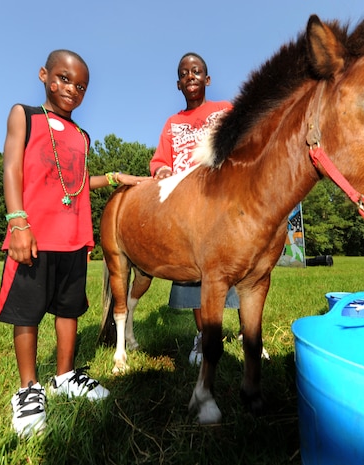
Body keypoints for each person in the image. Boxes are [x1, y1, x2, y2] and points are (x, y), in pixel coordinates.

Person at [0, 49, 149, 438]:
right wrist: (18, 223)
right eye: (63, 79)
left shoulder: (82, 135)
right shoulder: (24, 115)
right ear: (44, 74)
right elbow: (11, 167)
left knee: (69, 310)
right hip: (32, 234)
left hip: (73, 239)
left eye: (80, 86)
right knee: (27, 313)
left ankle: (64, 375)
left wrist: (115, 177)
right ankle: (29, 388)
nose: (71, 89)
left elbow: (78, 183)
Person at [150, 52, 241, 366]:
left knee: (237, 269)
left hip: (223, 205)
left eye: (197, 71)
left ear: (207, 79)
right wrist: (161, 171)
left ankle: (247, 332)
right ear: (178, 84)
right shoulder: (173, 123)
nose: (191, 75)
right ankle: (203, 335)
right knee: (195, 275)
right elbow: (160, 161)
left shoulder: (225, 111)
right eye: (185, 73)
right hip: (188, 211)